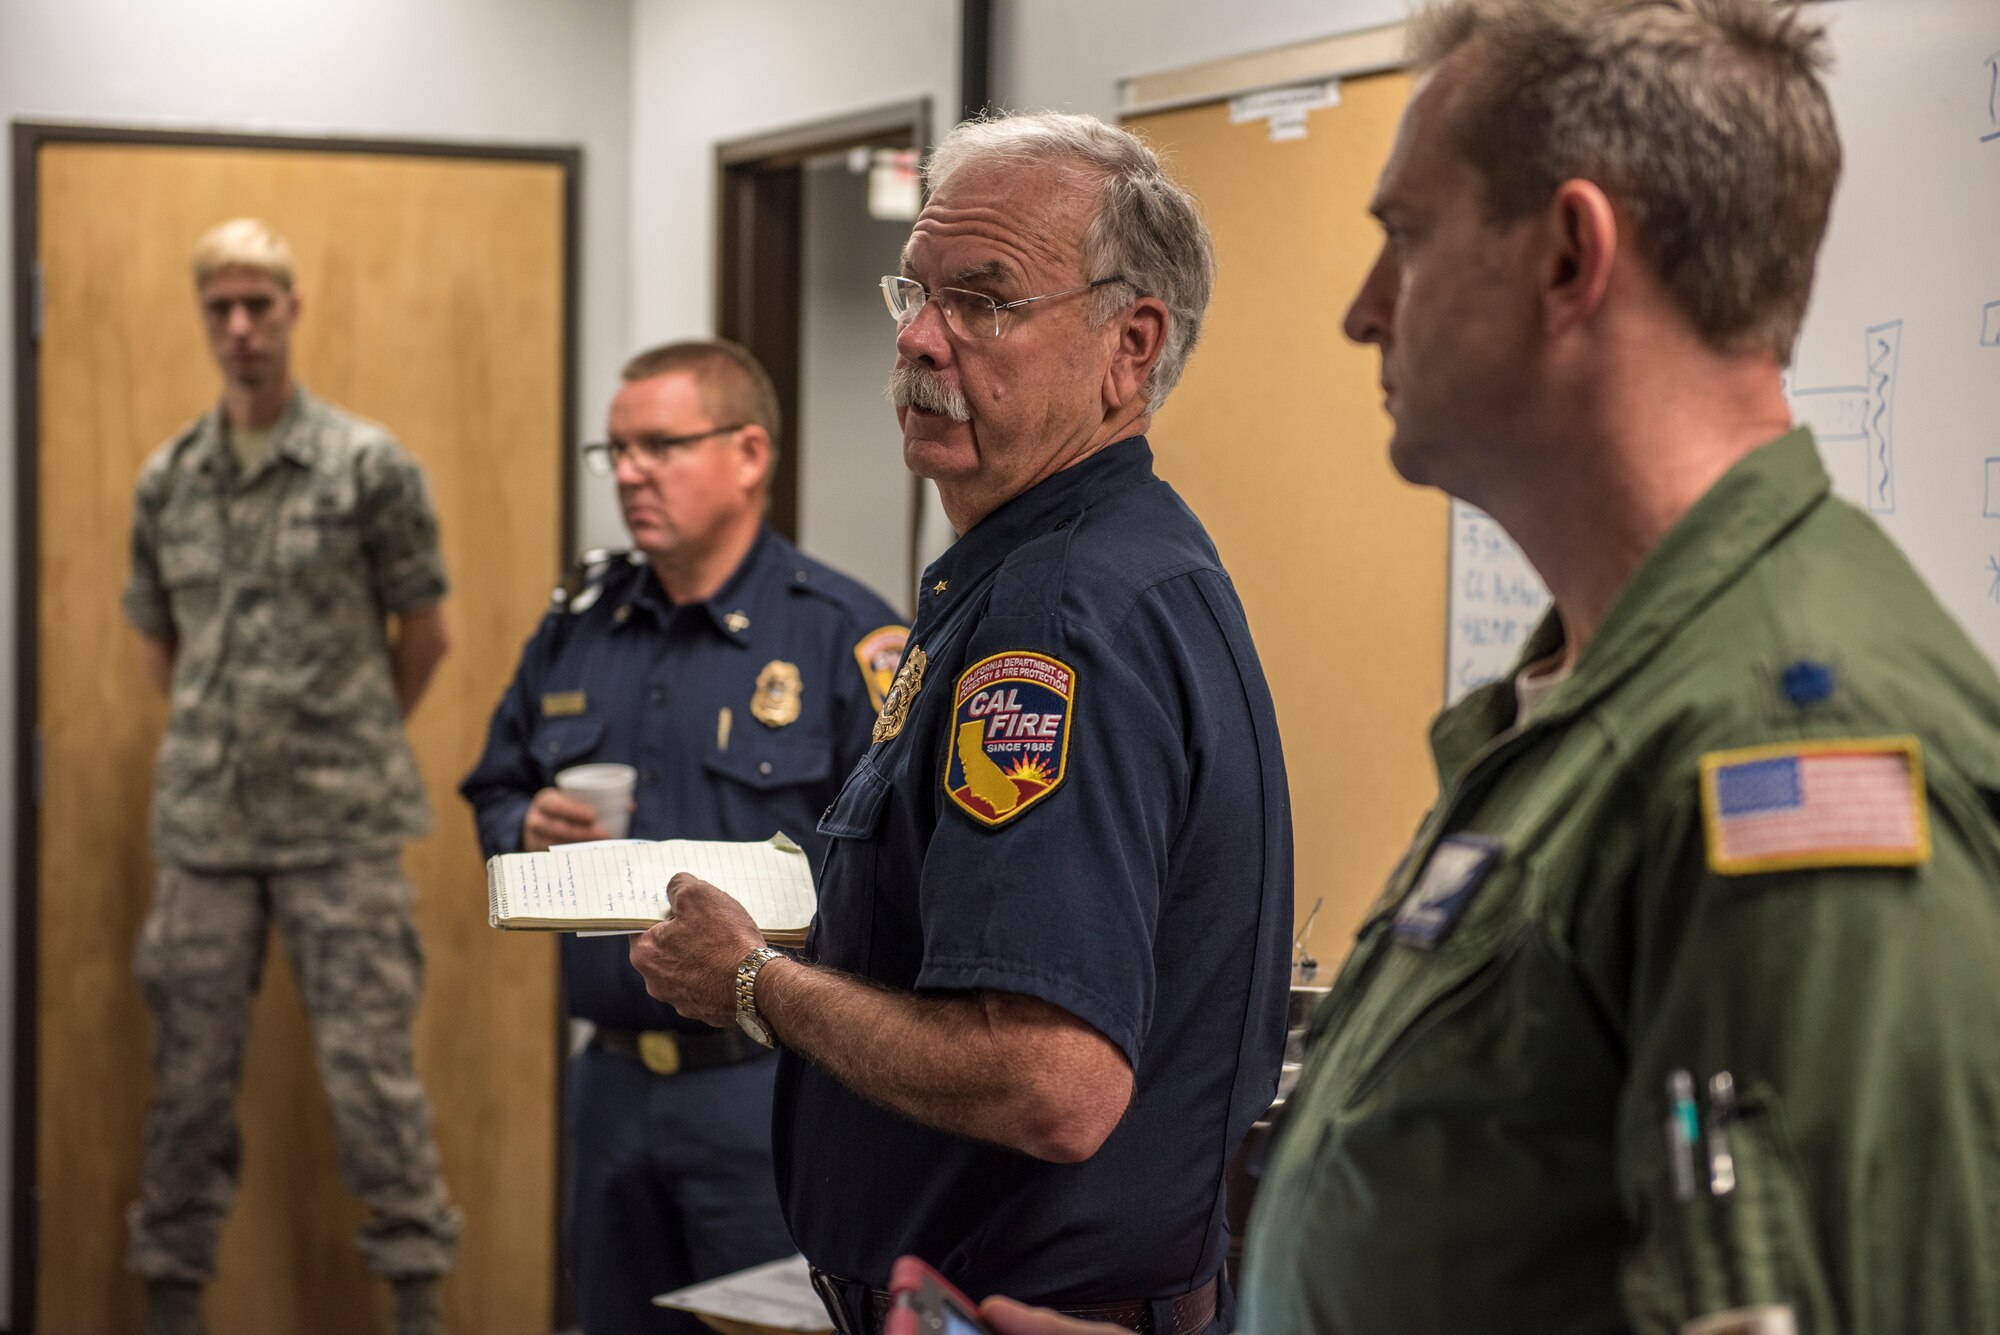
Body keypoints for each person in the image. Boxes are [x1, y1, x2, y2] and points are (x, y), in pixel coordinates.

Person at [989, 3, 2000, 1333]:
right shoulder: (1593, 693)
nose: (1363, 310)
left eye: (1405, 238)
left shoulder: (1795, 756)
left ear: (1572, 256)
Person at [627, 113, 1292, 1335]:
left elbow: (1051, 1081)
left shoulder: (1059, 614)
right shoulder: (1099, 561)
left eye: (983, 300)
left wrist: (755, 984)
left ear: (1126, 347)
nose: (918, 339)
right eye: (916, 291)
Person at [461, 339, 908, 1334]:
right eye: (613, 451)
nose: (627, 474)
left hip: (764, 1086)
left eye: (659, 446)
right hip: (611, 1082)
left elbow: (895, 872)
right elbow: (494, 784)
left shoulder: (845, 636)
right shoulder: (578, 622)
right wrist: (522, 822)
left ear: (748, 454)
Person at [121, 218, 460, 1335]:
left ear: (292, 309)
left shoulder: (368, 467)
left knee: (374, 1089)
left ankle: (417, 1303)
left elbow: (426, 635)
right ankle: (170, 1302)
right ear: (203, 318)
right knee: (183, 1096)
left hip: (340, 828)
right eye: (220, 307)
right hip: (206, 836)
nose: (240, 327)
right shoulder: (169, 481)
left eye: (259, 304)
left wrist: (349, 737)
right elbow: (162, 642)